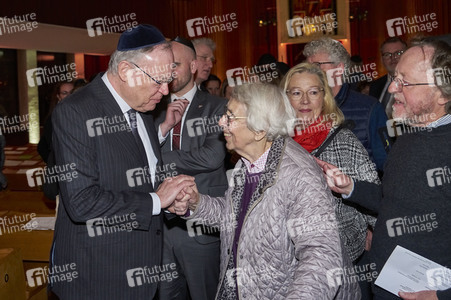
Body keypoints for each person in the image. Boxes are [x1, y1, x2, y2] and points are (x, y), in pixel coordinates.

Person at [50, 25, 194, 299]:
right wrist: (156, 201)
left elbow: (143, 180)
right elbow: (81, 202)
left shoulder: (142, 106)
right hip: (98, 276)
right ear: (127, 71)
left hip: (143, 270)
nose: (165, 91)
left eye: (169, 80)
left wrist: (171, 202)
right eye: (158, 81)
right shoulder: (76, 111)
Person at [183, 82, 361, 299]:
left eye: (230, 117)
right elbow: (237, 218)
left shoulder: (299, 176)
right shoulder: (247, 162)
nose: (221, 122)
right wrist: (196, 203)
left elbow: (321, 257)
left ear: (259, 130)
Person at [316, 37, 451, 300]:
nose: (392, 89)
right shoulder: (409, 136)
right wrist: (351, 186)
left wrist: (442, 295)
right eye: (395, 78)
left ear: (442, 94)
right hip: (387, 285)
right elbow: (393, 200)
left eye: (405, 82)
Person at [281, 62, 380, 264]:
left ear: (324, 97)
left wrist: (377, 236)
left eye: (314, 92)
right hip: (288, 255)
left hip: (341, 254)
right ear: (285, 98)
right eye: (297, 93)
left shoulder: (344, 141)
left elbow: (374, 195)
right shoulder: (276, 143)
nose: (305, 100)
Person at [152, 36, 227, 300]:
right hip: (159, 227)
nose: (169, 72)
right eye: (165, 66)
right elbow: (136, 157)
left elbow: (212, 157)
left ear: (193, 66)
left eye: (175, 65)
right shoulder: (152, 108)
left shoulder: (217, 106)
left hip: (199, 225)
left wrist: (160, 156)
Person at [303, 37, 390, 174]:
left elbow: (387, 165)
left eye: (318, 65)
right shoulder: (301, 109)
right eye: (308, 66)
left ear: (339, 68)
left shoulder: (369, 109)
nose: (310, 72)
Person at [369, 37, 407, 118]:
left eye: (398, 53)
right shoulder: (375, 86)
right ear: (382, 60)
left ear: (407, 55)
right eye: (387, 54)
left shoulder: (415, 84)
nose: (393, 58)